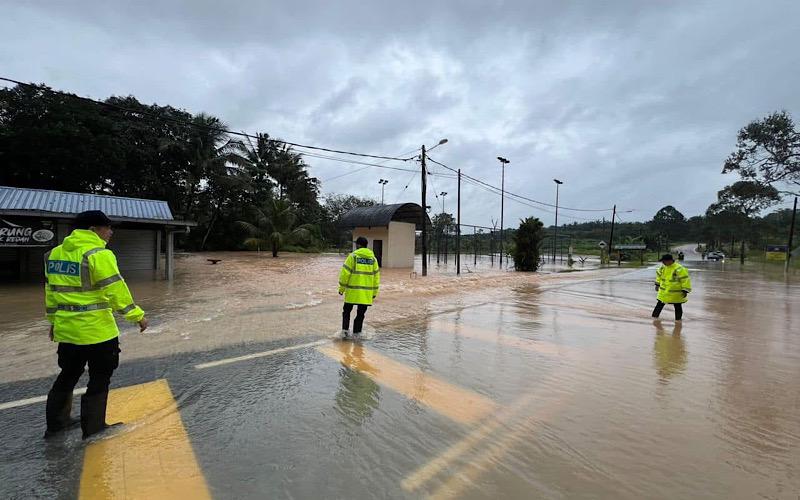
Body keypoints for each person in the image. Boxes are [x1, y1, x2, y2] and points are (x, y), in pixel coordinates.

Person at [44, 210, 148, 439]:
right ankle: (94, 429)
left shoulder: (54, 254)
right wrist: (137, 316)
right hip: (97, 331)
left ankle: (56, 424)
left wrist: (53, 322)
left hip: (68, 330)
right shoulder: (99, 254)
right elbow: (115, 290)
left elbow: (51, 293)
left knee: (68, 374)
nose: (110, 232)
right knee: (100, 377)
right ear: (93, 229)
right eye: (108, 228)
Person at [338, 237, 380, 339]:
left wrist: (341, 289)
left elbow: (345, 274)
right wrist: (374, 293)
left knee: (347, 311)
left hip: (352, 292)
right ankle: (357, 334)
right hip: (366, 294)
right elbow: (376, 277)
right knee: (360, 314)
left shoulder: (352, 257)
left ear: (358, 245)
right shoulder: (373, 259)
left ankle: (345, 333)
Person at [652, 254, 691, 322]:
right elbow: (658, 276)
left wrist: (685, 290)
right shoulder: (663, 267)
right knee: (659, 305)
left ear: (669, 261)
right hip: (663, 292)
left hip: (676, 293)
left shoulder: (679, 268)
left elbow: (685, 279)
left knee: (677, 306)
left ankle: (678, 321)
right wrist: (657, 284)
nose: (663, 263)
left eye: (664, 261)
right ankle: (654, 319)